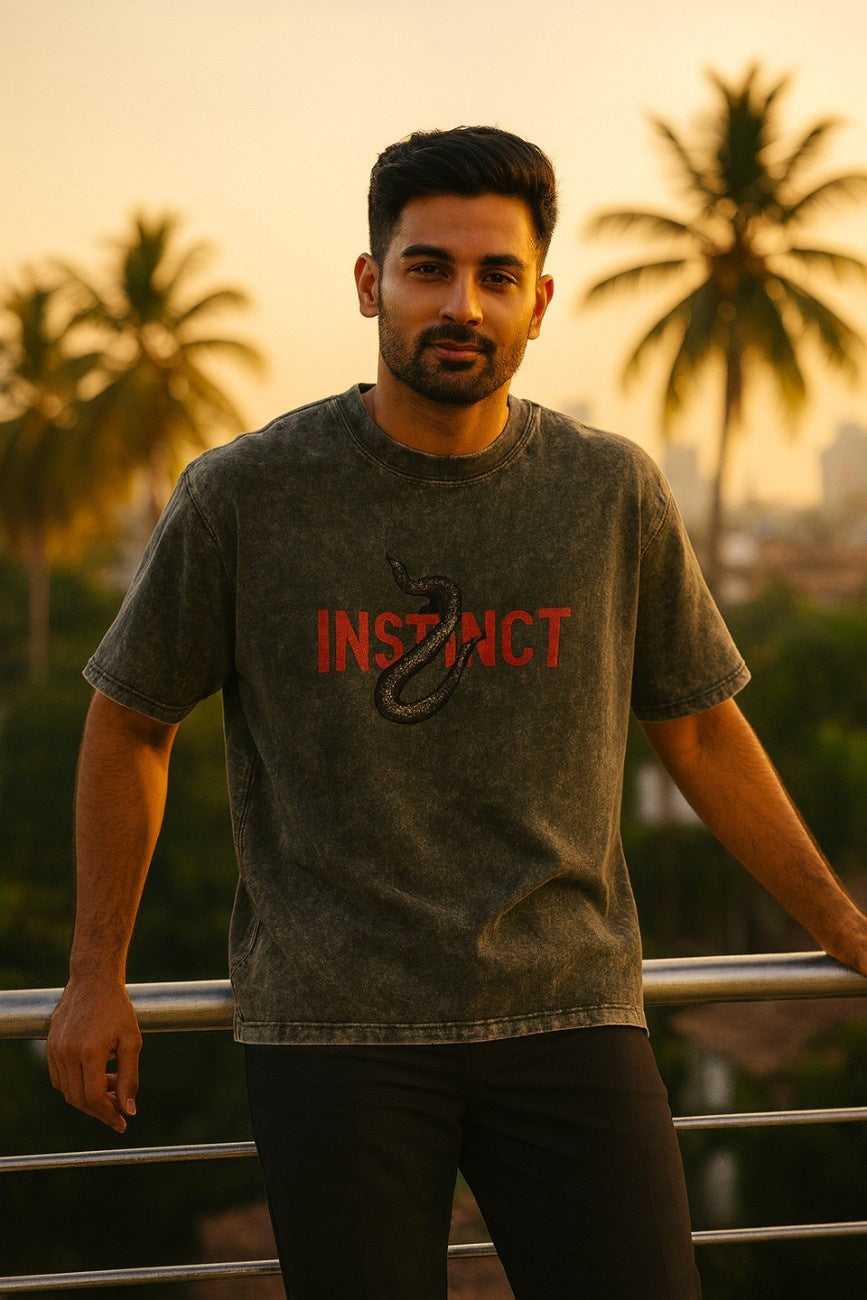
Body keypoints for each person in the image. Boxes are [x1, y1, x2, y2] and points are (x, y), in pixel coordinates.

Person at [48, 126, 867, 1299]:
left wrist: (840, 921)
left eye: (495, 277)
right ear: (372, 283)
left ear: (538, 300)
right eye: (429, 268)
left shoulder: (610, 489)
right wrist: (95, 974)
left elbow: (698, 725)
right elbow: (130, 719)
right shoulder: (244, 495)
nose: (461, 305)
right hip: (337, 1030)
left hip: (571, 1011)